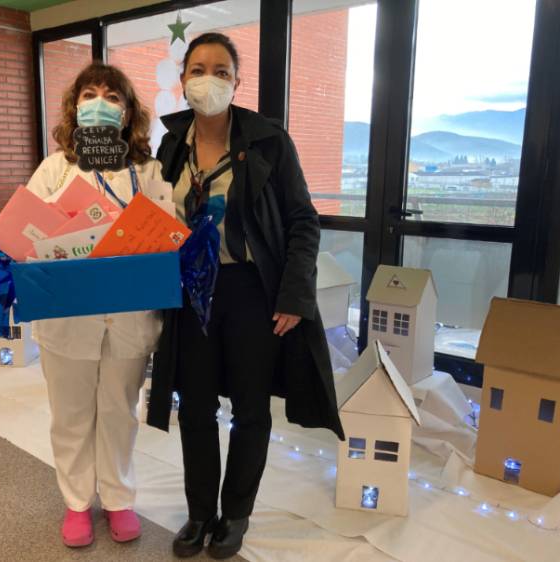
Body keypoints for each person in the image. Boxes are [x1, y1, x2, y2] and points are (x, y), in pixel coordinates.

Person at [147, 33, 344, 559]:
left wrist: (294, 295)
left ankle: (235, 514)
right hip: (191, 291)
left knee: (250, 409)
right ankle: (199, 513)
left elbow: (303, 220)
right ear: (182, 78)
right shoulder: (171, 145)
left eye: (221, 71)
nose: (207, 80)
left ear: (237, 82)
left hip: (251, 290)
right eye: (197, 69)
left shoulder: (268, 141)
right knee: (195, 407)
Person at [25, 62, 163, 548]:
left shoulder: (146, 170)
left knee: (120, 412)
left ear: (127, 113)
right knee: (71, 415)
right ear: (75, 106)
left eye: (112, 96)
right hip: (68, 317)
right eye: (90, 94)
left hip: (129, 316)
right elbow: (26, 233)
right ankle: (77, 503)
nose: (100, 103)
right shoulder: (55, 168)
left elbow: (168, 233)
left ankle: (119, 499)